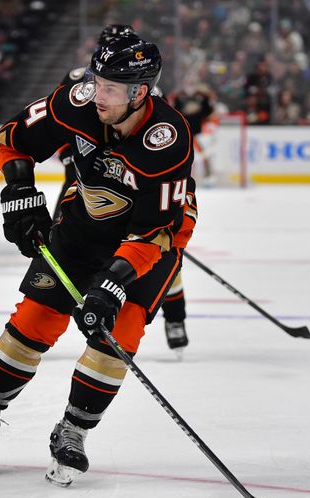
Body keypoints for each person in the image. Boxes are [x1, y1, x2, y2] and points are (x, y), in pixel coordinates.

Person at [0, 35, 197, 487]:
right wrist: (19, 190)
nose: (96, 94)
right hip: (84, 223)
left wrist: (115, 280)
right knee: (34, 320)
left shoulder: (167, 140)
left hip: (148, 242)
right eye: (97, 82)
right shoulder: (79, 100)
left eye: (110, 88)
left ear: (140, 93)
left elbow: (157, 231)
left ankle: (74, 430)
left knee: (116, 336)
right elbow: (11, 139)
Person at [53, 24, 191, 352]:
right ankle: (79, 301)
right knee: (64, 242)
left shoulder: (142, 91)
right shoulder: (76, 82)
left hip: (129, 187)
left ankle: (175, 316)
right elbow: (59, 125)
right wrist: (70, 158)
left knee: (152, 252)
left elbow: (163, 143)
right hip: (83, 181)